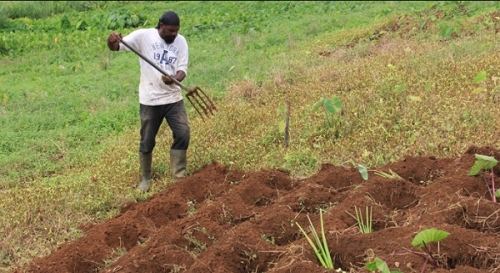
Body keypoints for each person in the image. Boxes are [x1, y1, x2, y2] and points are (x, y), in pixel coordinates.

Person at [106, 11, 190, 191]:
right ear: (161, 26)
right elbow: (116, 47)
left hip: (173, 98)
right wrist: (112, 40)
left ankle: (178, 176)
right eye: (170, 31)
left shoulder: (181, 41)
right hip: (150, 99)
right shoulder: (143, 36)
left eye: (176, 31)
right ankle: (145, 179)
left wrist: (175, 78)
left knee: (183, 133)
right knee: (147, 140)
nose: (174, 35)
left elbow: (182, 69)